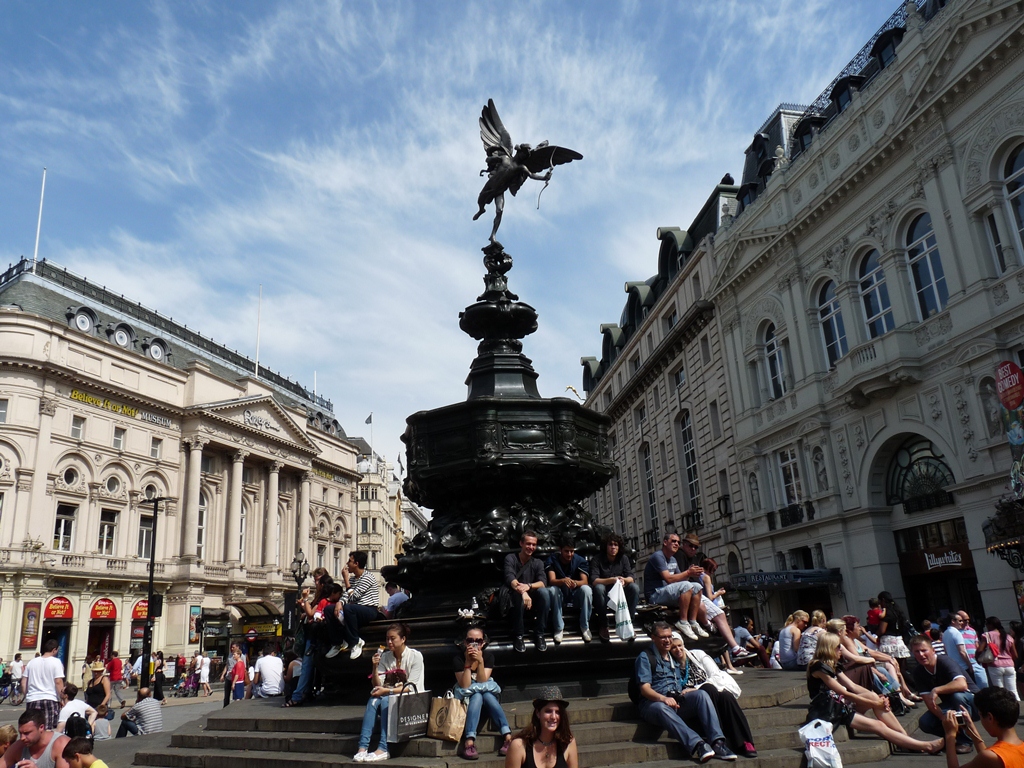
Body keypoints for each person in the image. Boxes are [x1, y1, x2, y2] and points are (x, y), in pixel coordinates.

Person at [806, 633, 940, 754]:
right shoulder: (818, 667)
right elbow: (843, 692)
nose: (840, 649)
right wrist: (875, 702)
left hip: (838, 705)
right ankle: (926, 746)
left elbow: (852, 686)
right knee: (879, 725)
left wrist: (877, 697)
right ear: (829, 648)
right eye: (837, 647)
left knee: (872, 696)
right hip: (827, 711)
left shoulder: (833, 664)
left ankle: (905, 739)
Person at [634, 621, 736, 762]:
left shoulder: (672, 656)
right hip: (653, 705)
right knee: (661, 708)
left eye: (669, 636)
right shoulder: (645, 657)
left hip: (675, 702)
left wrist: (687, 690)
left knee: (701, 695)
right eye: (663, 637)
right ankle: (698, 744)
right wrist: (663, 699)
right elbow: (645, 690)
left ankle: (717, 743)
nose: (668, 640)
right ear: (653, 638)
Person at [643, 533, 752, 662]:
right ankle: (684, 622)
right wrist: (688, 573)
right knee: (688, 586)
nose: (676, 544)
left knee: (696, 586)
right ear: (665, 542)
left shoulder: (673, 559)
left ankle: (694, 622)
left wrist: (690, 574)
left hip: (671, 592)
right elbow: (669, 578)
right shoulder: (658, 556)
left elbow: (681, 578)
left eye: (677, 542)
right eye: (673, 541)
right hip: (656, 593)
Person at [669, 633, 757, 757]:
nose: (678, 649)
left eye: (680, 646)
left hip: (714, 691)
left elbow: (716, 675)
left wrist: (695, 688)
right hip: (696, 701)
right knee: (707, 689)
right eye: (674, 647)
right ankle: (719, 740)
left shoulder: (697, 654)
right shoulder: (671, 665)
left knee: (727, 697)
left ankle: (745, 742)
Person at [353, 623, 424, 762]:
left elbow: (411, 687)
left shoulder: (415, 656)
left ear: (403, 639)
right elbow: (377, 685)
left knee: (386, 699)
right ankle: (362, 747)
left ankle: (383, 748)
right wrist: (374, 667)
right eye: (387, 639)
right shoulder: (385, 657)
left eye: (393, 638)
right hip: (391, 698)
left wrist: (387, 690)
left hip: (411, 702)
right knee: (373, 700)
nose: (389, 642)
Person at [910, 634, 980, 753]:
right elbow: (929, 702)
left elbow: (962, 684)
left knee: (957, 696)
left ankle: (967, 741)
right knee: (925, 722)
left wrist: (937, 689)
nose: (921, 655)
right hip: (951, 704)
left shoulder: (944, 661)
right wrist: (943, 719)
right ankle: (954, 738)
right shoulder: (918, 672)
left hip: (973, 702)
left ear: (933, 650)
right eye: (917, 652)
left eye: (924, 650)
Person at [454, 625, 512, 760]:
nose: (474, 644)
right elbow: (465, 685)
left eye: (478, 641)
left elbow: (482, 681)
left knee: (485, 695)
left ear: (483, 643)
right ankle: (469, 741)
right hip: (466, 698)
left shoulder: (488, 657)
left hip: (486, 696)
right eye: (470, 641)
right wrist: (468, 663)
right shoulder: (458, 659)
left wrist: (480, 662)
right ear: (464, 642)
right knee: (478, 695)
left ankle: (507, 736)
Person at [942, 687, 1024, 768]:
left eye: (980, 715)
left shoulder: (992, 756)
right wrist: (972, 731)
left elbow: (988, 758)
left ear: (990, 718)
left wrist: (950, 735)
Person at [501, 531, 553, 653]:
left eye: (533, 545)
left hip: (532, 598)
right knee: (518, 595)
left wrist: (528, 586)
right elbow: (510, 578)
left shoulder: (538, 562)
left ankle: (539, 633)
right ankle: (518, 635)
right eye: (528, 544)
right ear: (521, 543)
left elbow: (542, 582)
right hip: (514, 597)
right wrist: (523, 592)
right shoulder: (511, 558)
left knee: (544, 593)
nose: (531, 547)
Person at [285, 567, 329, 707]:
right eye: (315, 580)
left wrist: (304, 601)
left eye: (318, 580)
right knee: (309, 666)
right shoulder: (319, 596)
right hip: (313, 633)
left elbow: (311, 614)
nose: (316, 583)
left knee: (307, 666)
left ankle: (298, 695)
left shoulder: (323, 597)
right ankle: (306, 692)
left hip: (316, 635)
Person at [503, 686, 578, 768]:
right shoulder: (519, 746)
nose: (553, 717)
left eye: (558, 712)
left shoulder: (568, 742)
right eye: (548, 711)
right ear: (538, 713)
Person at [588, 532, 638, 643]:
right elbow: (594, 581)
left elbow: (631, 577)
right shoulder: (597, 559)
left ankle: (629, 623)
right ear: (606, 546)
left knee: (634, 588)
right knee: (599, 588)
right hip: (604, 594)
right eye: (610, 544)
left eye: (616, 545)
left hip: (620, 593)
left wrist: (624, 580)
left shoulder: (623, 559)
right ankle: (603, 625)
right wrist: (613, 579)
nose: (613, 547)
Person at [545, 536, 593, 644]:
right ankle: (558, 627)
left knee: (587, 590)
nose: (569, 554)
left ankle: (585, 626)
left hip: (575, 595)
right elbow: (552, 580)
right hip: (560, 596)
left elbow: (584, 581)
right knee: (553, 590)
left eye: (572, 551)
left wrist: (575, 583)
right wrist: (562, 581)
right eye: (566, 551)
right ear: (560, 549)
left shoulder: (580, 560)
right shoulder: (552, 559)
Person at [340, 551, 382, 660]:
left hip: (369, 610)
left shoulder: (367, 577)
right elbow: (346, 596)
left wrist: (346, 580)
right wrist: (339, 603)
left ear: (356, 564)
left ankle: (356, 641)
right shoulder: (353, 579)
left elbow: (354, 597)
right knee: (330, 610)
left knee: (348, 608)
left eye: (350, 561)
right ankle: (338, 641)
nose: (347, 563)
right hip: (356, 609)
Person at [0, 709, 70, 768]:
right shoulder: (19, 747)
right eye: (20, 733)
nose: (22, 738)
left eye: (27, 733)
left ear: (41, 728)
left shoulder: (61, 745)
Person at [22, 638, 66, 730]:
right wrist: (62, 698)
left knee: (33, 728)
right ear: (54, 650)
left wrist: (27, 694)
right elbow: (58, 681)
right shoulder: (56, 662)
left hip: (32, 699)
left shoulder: (32, 662)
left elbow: (24, 681)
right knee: (47, 728)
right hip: (49, 698)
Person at [982, 617, 1017, 699]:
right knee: (1013, 691)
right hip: (1009, 665)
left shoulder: (987, 635)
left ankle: (1004, 710)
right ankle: (1018, 709)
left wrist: (979, 656)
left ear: (990, 625)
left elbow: (980, 649)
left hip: (995, 665)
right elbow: (1015, 655)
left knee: (1000, 692)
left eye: (986, 624)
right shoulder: (1008, 637)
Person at [876, 591, 912, 667]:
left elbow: (882, 630)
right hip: (899, 641)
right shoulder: (897, 611)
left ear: (883, 600)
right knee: (902, 669)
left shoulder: (886, 613)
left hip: (888, 643)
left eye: (879, 601)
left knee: (892, 668)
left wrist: (876, 633)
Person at [960, 611, 990, 689]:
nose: (967, 622)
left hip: (976, 662)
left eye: (968, 619)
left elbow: (976, 645)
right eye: (964, 620)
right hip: (963, 664)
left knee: (984, 685)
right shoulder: (956, 632)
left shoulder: (972, 630)